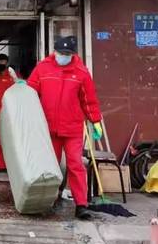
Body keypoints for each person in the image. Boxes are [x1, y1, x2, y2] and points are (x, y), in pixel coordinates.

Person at [27, 36, 103, 220]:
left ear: (73, 54)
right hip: (48, 128)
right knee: (49, 166)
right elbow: (31, 91)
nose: (64, 56)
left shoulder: (81, 72)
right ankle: (48, 199)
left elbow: (88, 100)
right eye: (61, 53)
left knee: (75, 164)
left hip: (72, 128)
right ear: (54, 52)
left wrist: (95, 121)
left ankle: (81, 204)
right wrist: (22, 90)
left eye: (67, 54)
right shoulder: (43, 68)